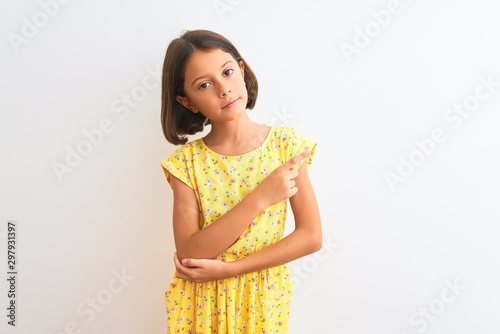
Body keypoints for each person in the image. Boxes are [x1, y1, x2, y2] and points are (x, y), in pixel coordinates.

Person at [159, 29, 322, 333]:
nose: (224, 89)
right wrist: (260, 198)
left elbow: (311, 237)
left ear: (242, 70)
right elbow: (190, 253)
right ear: (188, 101)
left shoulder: (286, 146)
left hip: (261, 297)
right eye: (204, 85)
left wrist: (230, 270)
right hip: (201, 301)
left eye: (228, 72)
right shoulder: (186, 164)